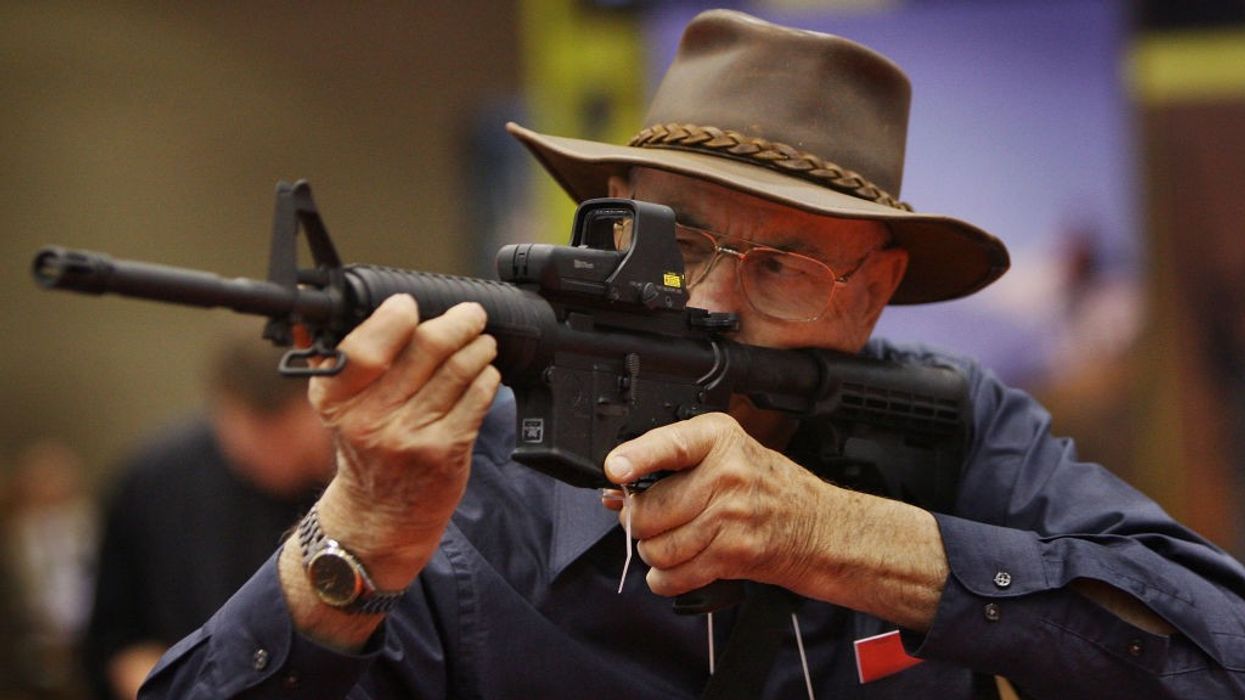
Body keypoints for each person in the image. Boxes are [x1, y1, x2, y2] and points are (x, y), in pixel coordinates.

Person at [141, 10, 1245, 698]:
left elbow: (1221, 647)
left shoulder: (958, 430)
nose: (710, 301)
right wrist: (357, 540)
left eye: (781, 267)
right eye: (678, 242)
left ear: (875, 293)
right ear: (613, 216)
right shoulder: (464, 491)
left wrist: (853, 540)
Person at [83, 322, 335, 699]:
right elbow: (115, 641)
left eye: (291, 435)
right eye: (254, 434)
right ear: (222, 405)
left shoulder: (369, 480)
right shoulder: (155, 478)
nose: (274, 454)